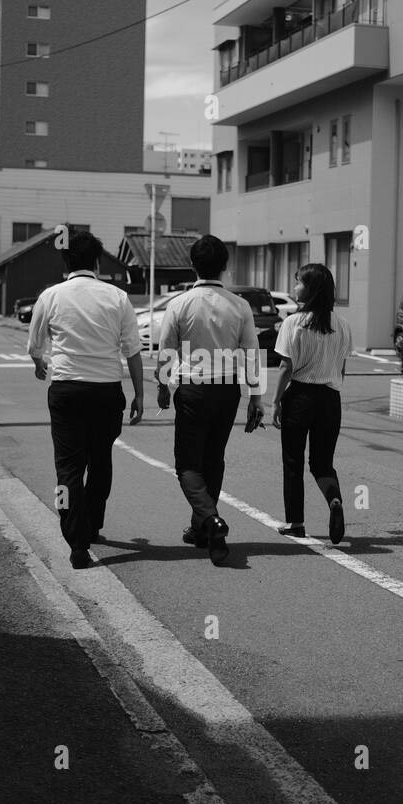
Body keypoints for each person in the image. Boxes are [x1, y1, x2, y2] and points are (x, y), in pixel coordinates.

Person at [27, 231, 144, 569]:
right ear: (96, 261)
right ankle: (92, 524)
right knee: (101, 460)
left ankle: (76, 541)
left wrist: (40, 365)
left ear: (67, 261)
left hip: (66, 389)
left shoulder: (51, 296)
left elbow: (36, 347)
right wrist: (139, 393)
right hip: (107, 390)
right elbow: (132, 350)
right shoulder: (118, 297)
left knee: (68, 468)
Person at [155, 234, 264, 565]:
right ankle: (201, 530)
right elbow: (251, 354)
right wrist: (256, 397)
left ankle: (212, 520)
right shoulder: (239, 305)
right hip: (227, 389)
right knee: (214, 459)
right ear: (225, 266)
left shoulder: (179, 304)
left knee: (188, 464)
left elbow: (166, 351)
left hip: (192, 389)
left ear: (192, 266)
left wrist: (163, 387)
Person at [271, 262, 351, 544]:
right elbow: (341, 369)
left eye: (298, 282)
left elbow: (285, 367)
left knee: (293, 462)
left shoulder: (293, 323)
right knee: (322, 463)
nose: (294, 287)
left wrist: (276, 401)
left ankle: (295, 522)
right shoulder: (341, 325)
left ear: (311, 289)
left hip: (300, 397)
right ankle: (334, 500)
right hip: (331, 399)